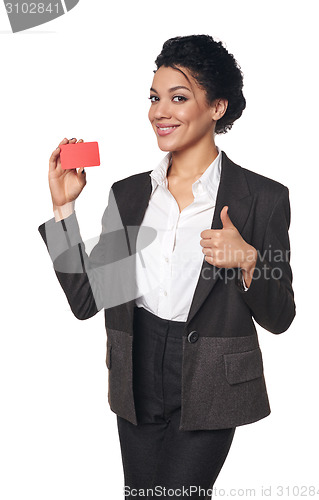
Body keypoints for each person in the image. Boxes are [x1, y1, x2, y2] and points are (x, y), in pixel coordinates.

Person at [38, 35, 296, 499]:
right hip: (136, 373)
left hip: (211, 380)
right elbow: (86, 300)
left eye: (179, 98)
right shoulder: (131, 194)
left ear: (217, 107)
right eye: (155, 98)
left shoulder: (263, 198)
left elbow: (280, 317)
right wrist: (63, 211)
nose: (161, 111)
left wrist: (249, 260)